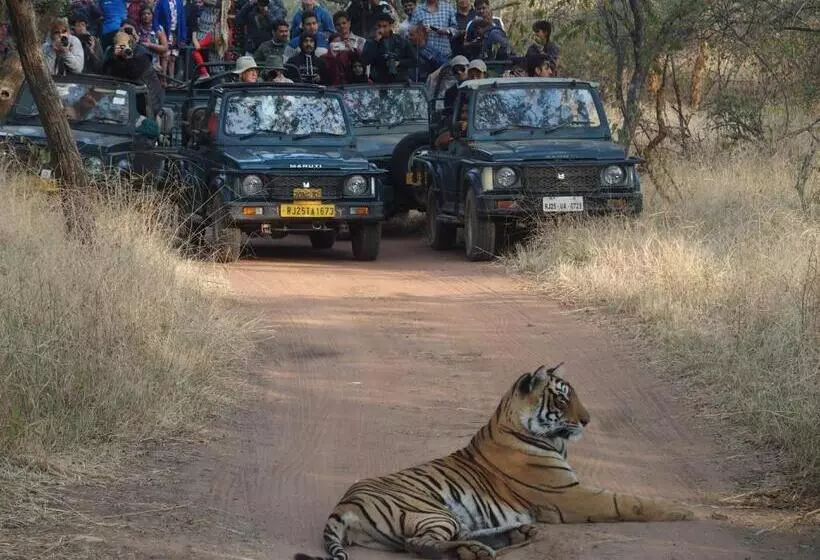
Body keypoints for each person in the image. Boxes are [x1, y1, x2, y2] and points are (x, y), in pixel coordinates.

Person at [102, 31, 164, 117]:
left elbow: (132, 75)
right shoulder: (111, 53)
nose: (122, 47)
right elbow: (104, 73)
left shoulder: (142, 54)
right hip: (123, 97)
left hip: (147, 101)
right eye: (119, 44)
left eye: (124, 43)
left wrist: (125, 58)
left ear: (130, 42)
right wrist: (114, 57)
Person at [360, 12, 415, 83]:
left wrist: (399, 63)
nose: (381, 29)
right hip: (379, 81)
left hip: (399, 81)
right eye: (379, 26)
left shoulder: (401, 40)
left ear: (390, 26)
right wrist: (375, 42)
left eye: (385, 26)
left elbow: (414, 61)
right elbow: (364, 61)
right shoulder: (371, 41)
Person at [153, 0, 187, 80]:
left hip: (176, 33)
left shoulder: (179, 2)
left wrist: (183, 37)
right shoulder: (161, 2)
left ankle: (172, 80)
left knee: (173, 58)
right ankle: (163, 79)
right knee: (165, 56)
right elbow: (156, 18)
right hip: (165, 32)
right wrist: (157, 29)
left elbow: (182, 20)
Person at [137, 3, 168, 73]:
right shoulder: (137, 28)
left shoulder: (158, 29)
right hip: (140, 65)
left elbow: (165, 47)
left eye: (148, 13)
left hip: (154, 66)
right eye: (143, 14)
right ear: (140, 16)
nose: (146, 16)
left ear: (152, 15)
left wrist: (149, 45)